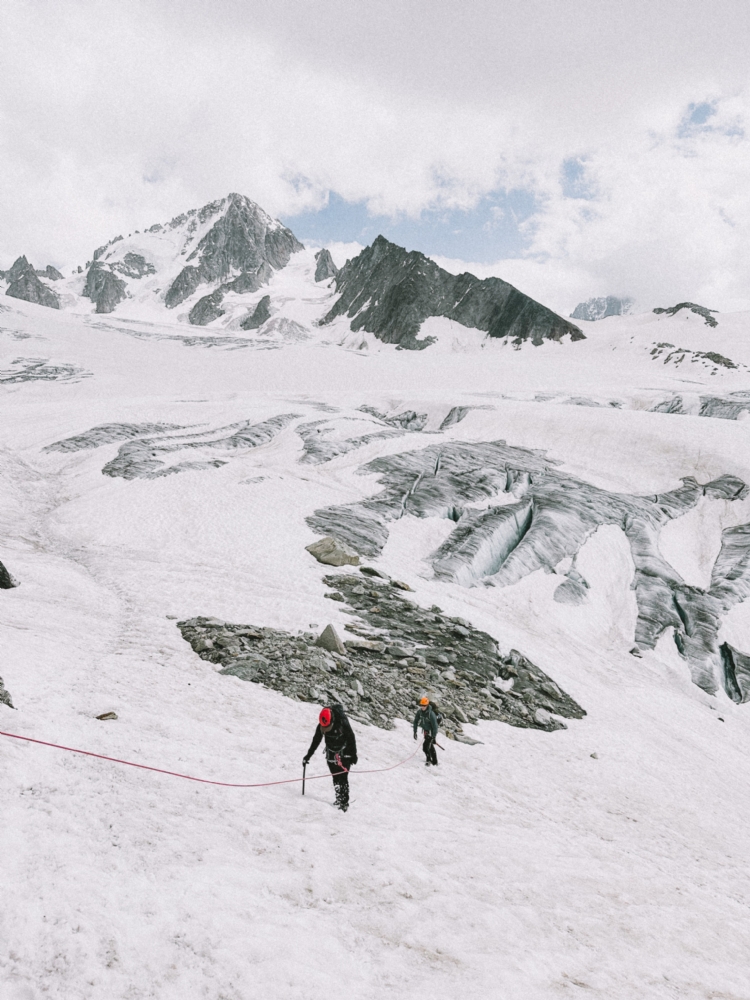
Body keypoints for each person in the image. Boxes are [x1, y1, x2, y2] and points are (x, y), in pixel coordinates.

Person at [303, 704, 358, 811]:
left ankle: (344, 802)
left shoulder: (342, 721)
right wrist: (308, 755)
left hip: (345, 752)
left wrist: (353, 754)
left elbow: (351, 737)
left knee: (343, 778)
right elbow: (316, 740)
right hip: (331, 753)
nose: (326, 730)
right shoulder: (321, 725)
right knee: (335, 777)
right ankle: (339, 798)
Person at [413, 696, 439, 766]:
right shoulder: (420, 712)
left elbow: (435, 726)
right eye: (421, 705)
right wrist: (415, 732)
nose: (423, 707)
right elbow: (415, 721)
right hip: (425, 731)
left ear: (427, 705)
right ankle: (435, 762)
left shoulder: (431, 714)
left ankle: (429, 760)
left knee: (425, 747)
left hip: (431, 732)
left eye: (424, 705)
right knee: (430, 747)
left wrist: (434, 737)